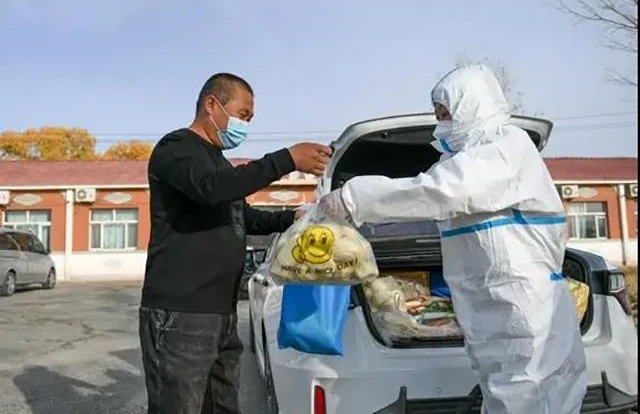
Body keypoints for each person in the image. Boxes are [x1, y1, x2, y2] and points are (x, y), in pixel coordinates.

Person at [320, 65, 587, 413]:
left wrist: (353, 198)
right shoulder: (460, 160)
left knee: (533, 398)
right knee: (505, 397)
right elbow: (425, 198)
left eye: (446, 113)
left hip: (526, 310)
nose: (441, 123)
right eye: (438, 114)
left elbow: (439, 192)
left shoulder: (507, 147)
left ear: (473, 104)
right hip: (490, 312)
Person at [139, 72, 332, 414]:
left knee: (223, 405)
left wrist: (294, 217)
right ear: (211, 104)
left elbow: (244, 216)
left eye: (250, 119)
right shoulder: (176, 148)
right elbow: (212, 188)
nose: (245, 126)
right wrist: (286, 160)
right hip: (181, 313)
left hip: (221, 312)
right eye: (243, 115)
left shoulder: (218, 162)